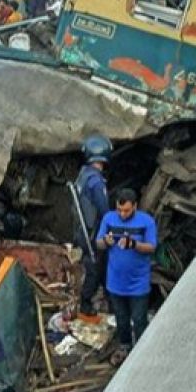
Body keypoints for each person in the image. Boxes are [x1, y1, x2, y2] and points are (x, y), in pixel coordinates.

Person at [94, 188, 157, 355]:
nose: (122, 214)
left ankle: (142, 351)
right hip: (115, 282)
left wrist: (134, 245)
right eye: (119, 210)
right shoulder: (109, 219)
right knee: (121, 319)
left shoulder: (146, 222)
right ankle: (125, 346)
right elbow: (98, 243)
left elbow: (151, 247)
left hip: (139, 283)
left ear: (135, 206)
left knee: (138, 319)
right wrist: (106, 242)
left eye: (126, 210)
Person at [73, 134, 112, 319]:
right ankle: (85, 304)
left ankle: (110, 300)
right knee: (95, 269)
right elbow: (104, 210)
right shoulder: (96, 182)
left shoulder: (83, 175)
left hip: (84, 230)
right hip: (93, 233)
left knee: (101, 267)